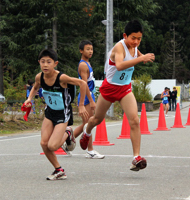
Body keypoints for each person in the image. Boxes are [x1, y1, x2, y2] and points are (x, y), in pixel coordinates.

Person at [80, 20, 155, 171]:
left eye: (139, 39)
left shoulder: (134, 47)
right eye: (133, 38)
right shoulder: (119, 47)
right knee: (97, 119)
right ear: (125, 36)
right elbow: (120, 65)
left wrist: (142, 55)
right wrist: (141, 58)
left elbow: (135, 54)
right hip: (110, 88)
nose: (136, 42)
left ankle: (136, 157)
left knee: (134, 120)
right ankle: (87, 131)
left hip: (125, 89)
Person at [24, 49, 89, 180]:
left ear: (55, 63)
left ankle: (68, 133)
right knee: (44, 143)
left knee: (53, 146)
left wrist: (81, 104)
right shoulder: (39, 77)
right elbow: (35, 87)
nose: (45, 65)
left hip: (63, 114)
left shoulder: (62, 78)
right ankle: (59, 170)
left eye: (49, 62)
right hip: (49, 112)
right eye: (42, 62)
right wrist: (29, 99)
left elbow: (82, 83)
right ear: (39, 63)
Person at [63, 40, 104, 159]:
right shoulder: (83, 65)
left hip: (88, 95)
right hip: (86, 96)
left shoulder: (88, 63)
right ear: (81, 51)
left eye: (91, 49)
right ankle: (90, 150)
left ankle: (66, 141)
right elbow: (83, 84)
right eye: (87, 49)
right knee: (89, 124)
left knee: (86, 124)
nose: (90, 51)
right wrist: (91, 100)